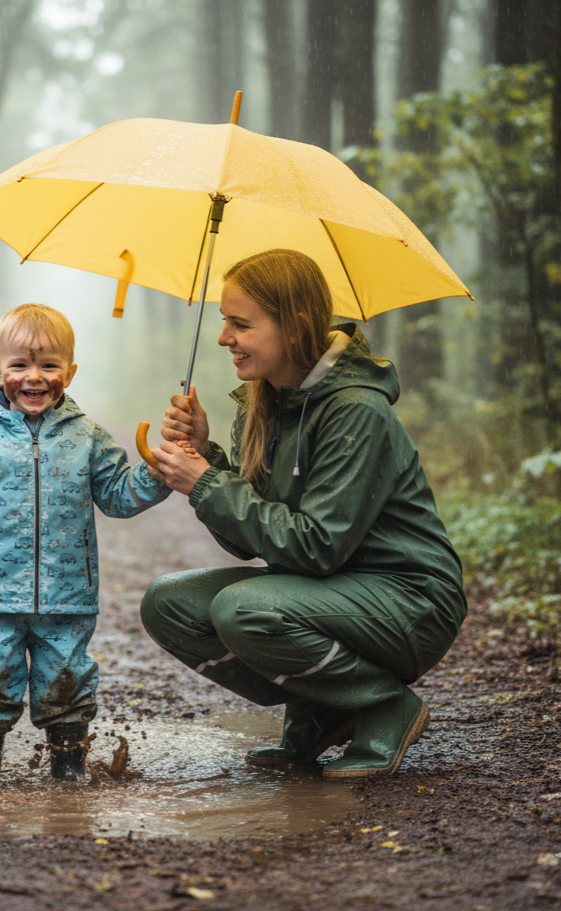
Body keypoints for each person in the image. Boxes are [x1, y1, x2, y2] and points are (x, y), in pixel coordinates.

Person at [141, 249, 466, 780]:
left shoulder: (356, 410)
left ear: (294, 326)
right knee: (169, 604)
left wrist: (205, 484)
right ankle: (324, 705)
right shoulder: (270, 399)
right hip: (334, 592)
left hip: (409, 600)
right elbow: (250, 541)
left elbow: (315, 548)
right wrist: (210, 459)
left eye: (240, 324)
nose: (224, 337)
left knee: (244, 608)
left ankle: (383, 704)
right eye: (224, 322)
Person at [0, 303, 171, 785]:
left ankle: (68, 770)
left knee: (66, 679)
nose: (34, 377)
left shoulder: (88, 437)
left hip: (68, 594)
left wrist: (159, 472)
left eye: (49, 366)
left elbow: (117, 494)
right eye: (20, 366)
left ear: (70, 373)